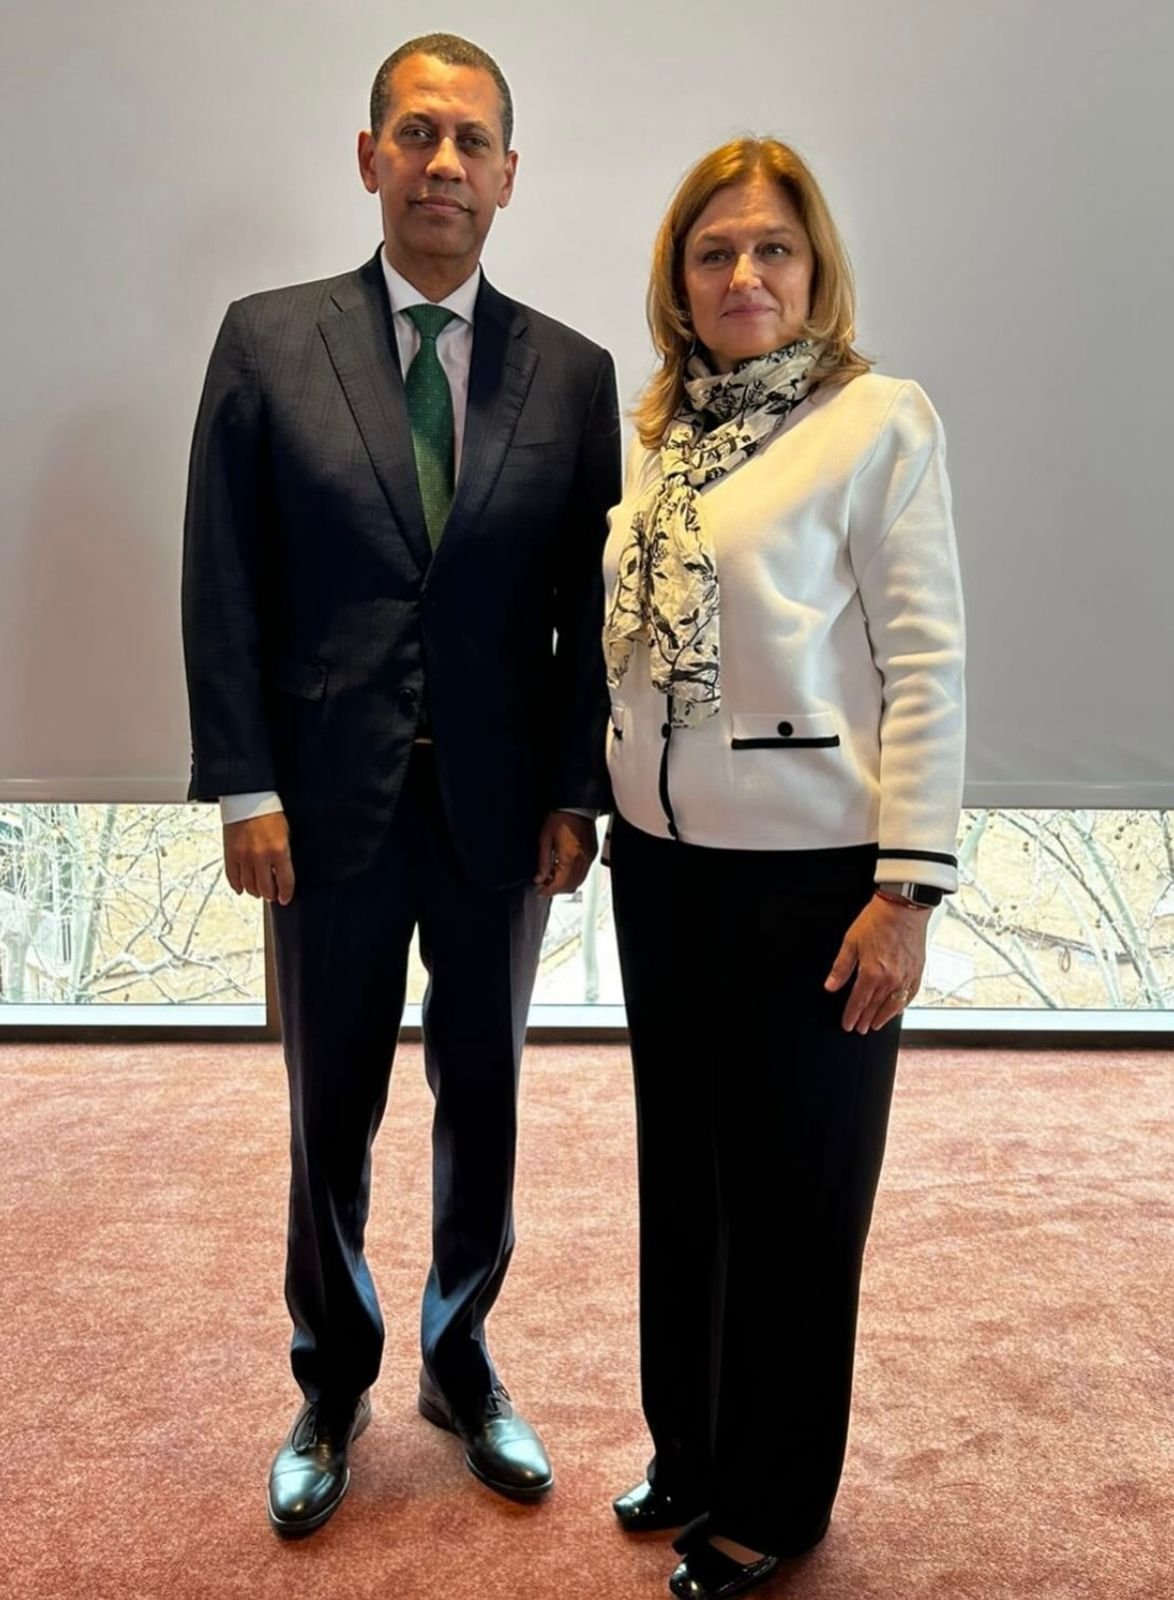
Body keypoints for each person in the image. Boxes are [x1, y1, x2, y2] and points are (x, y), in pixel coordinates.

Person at [182, 33, 619, 1537]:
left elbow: (587, 613)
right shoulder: (266, 340)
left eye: (472, 141)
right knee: (332, 1109)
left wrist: (577, 790)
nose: (445, 165)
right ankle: (331, 1378)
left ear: (509, 176)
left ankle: (458, 1356)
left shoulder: (573, 372)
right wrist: (243, 785)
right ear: (368, 156)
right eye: (418, 135)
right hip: (322, 811)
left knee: (482, 1096)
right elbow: (223, 576)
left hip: (500, 814)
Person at [603, 137, 965, 1600]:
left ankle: (773, 1500)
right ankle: (690, 1450)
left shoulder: (876, 421)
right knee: (684, 1179)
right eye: (714, 252)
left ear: (814, 272)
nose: (743, 273)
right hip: (660, 870)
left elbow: (927, 662)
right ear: (678, 283)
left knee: (798, 1197)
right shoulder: (660, 437)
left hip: (818, 881)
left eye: (772, 249)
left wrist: (906, 891)